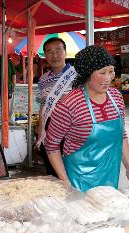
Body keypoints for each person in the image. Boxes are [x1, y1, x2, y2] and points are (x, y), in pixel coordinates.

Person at [45, 45, 129, 192]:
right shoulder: (69, 104)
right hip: (77, 181)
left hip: (110, 177)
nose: (108, 78)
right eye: (102, 73)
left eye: (111, 71)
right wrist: (64, 181)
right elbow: (51, 146)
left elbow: (121, 135)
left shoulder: (116, 97)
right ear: (88, 73)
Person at [36, 37, 76, 177]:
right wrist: (40, 130)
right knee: (51, 169)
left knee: (70, 168)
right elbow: (42, 105)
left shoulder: (77, 76)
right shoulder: (43, 79)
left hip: (72, 129)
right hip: (50, 126)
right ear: (45, 55)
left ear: (65, 52)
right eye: (49, 52)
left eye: (58, 51)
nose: (54, 55)